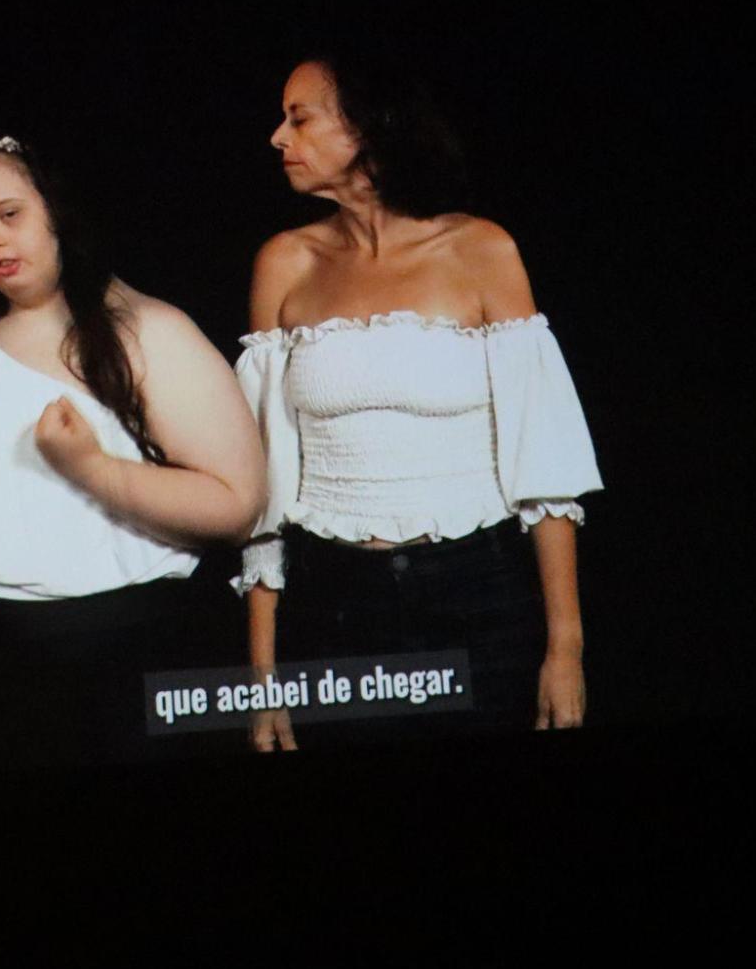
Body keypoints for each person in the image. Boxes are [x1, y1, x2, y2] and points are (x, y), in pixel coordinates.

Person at [0, 135, 266, 759]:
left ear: (56, 210)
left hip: (109, 653)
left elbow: (237, 506)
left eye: (11, 216)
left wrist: (91, 469)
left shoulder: (149, 331)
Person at [238, 51, 603, 749]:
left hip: (480, 591)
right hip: (335, 600)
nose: (278, 138)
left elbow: (544, 464)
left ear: (368, 126)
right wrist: (263, 679)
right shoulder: (283, 262)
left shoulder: (479, 250)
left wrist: (565, 648)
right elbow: (263, 478)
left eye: (299, 118)